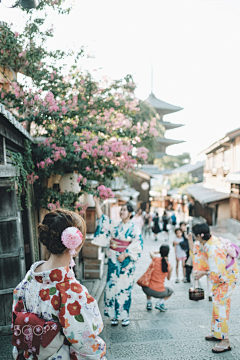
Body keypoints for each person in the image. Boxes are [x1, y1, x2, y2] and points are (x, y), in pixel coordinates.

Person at [12, 209, 106, 360]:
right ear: (74, 244)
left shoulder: (31, 276)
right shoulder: (71, 291)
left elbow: (17, 317)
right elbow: (86, 342)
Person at [188, 223, 239, 354]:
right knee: (217, 304)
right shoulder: (208, 242)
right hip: (223, 276)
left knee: (221, 306)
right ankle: (218, 333)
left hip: (227, 277)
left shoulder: (214, 248)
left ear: (200, 235)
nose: (194, 237)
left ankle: (225, 341)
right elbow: (198, 250)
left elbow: (219, 274)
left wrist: (203, 273)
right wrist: (190, 242)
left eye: (195, 235)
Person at [92, 196, 143, 327]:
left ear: (130, 213)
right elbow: (102, 220)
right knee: (111, 287)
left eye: (124, 210)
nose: (121, 212)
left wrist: (125, 254)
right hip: (113, 261)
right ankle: (113, 316)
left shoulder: (134, 228)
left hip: (126, 262)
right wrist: (97, 203)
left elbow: (138, 244)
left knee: (124, 288)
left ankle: (124, 315)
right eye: (121, 210)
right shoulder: (115, 225)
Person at [140, 245, 173, 312]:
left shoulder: (155, 259)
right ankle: (159, 303)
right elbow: (168, 278)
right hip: (159, 292)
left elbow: (151, 252)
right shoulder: (170, 266)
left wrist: (159, 252)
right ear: (168, 253)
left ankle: (149, 303)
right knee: (170, 291)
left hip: (146, 289)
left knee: (149, 283)